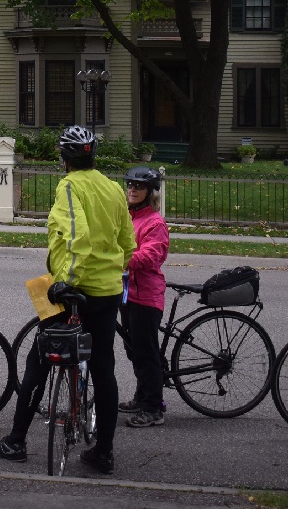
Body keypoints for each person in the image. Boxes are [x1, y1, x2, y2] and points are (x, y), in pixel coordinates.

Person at [0, 125, 135, 474]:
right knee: (104, 369)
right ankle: (104, 452)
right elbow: (128, 243)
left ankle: (16, 441)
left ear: (64, 159)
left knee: (39, 360)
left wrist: (66, 282)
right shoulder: (113, 188)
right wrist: (110, 271)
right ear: (93, 155)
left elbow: (77, 238)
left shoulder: (69, 185)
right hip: (109, 290)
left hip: (73, 289)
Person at [118, 166, 169, 428]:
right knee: (134, 350)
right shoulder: (127, 216)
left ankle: (153, 408)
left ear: (150, 192)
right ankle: (142, 396)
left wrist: (120, 259)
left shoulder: (155, 222)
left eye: (139, 187)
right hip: (127, 293)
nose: (133, 190)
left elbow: (151, 255)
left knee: (146, 353)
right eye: (130, 185)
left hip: (146, 295)